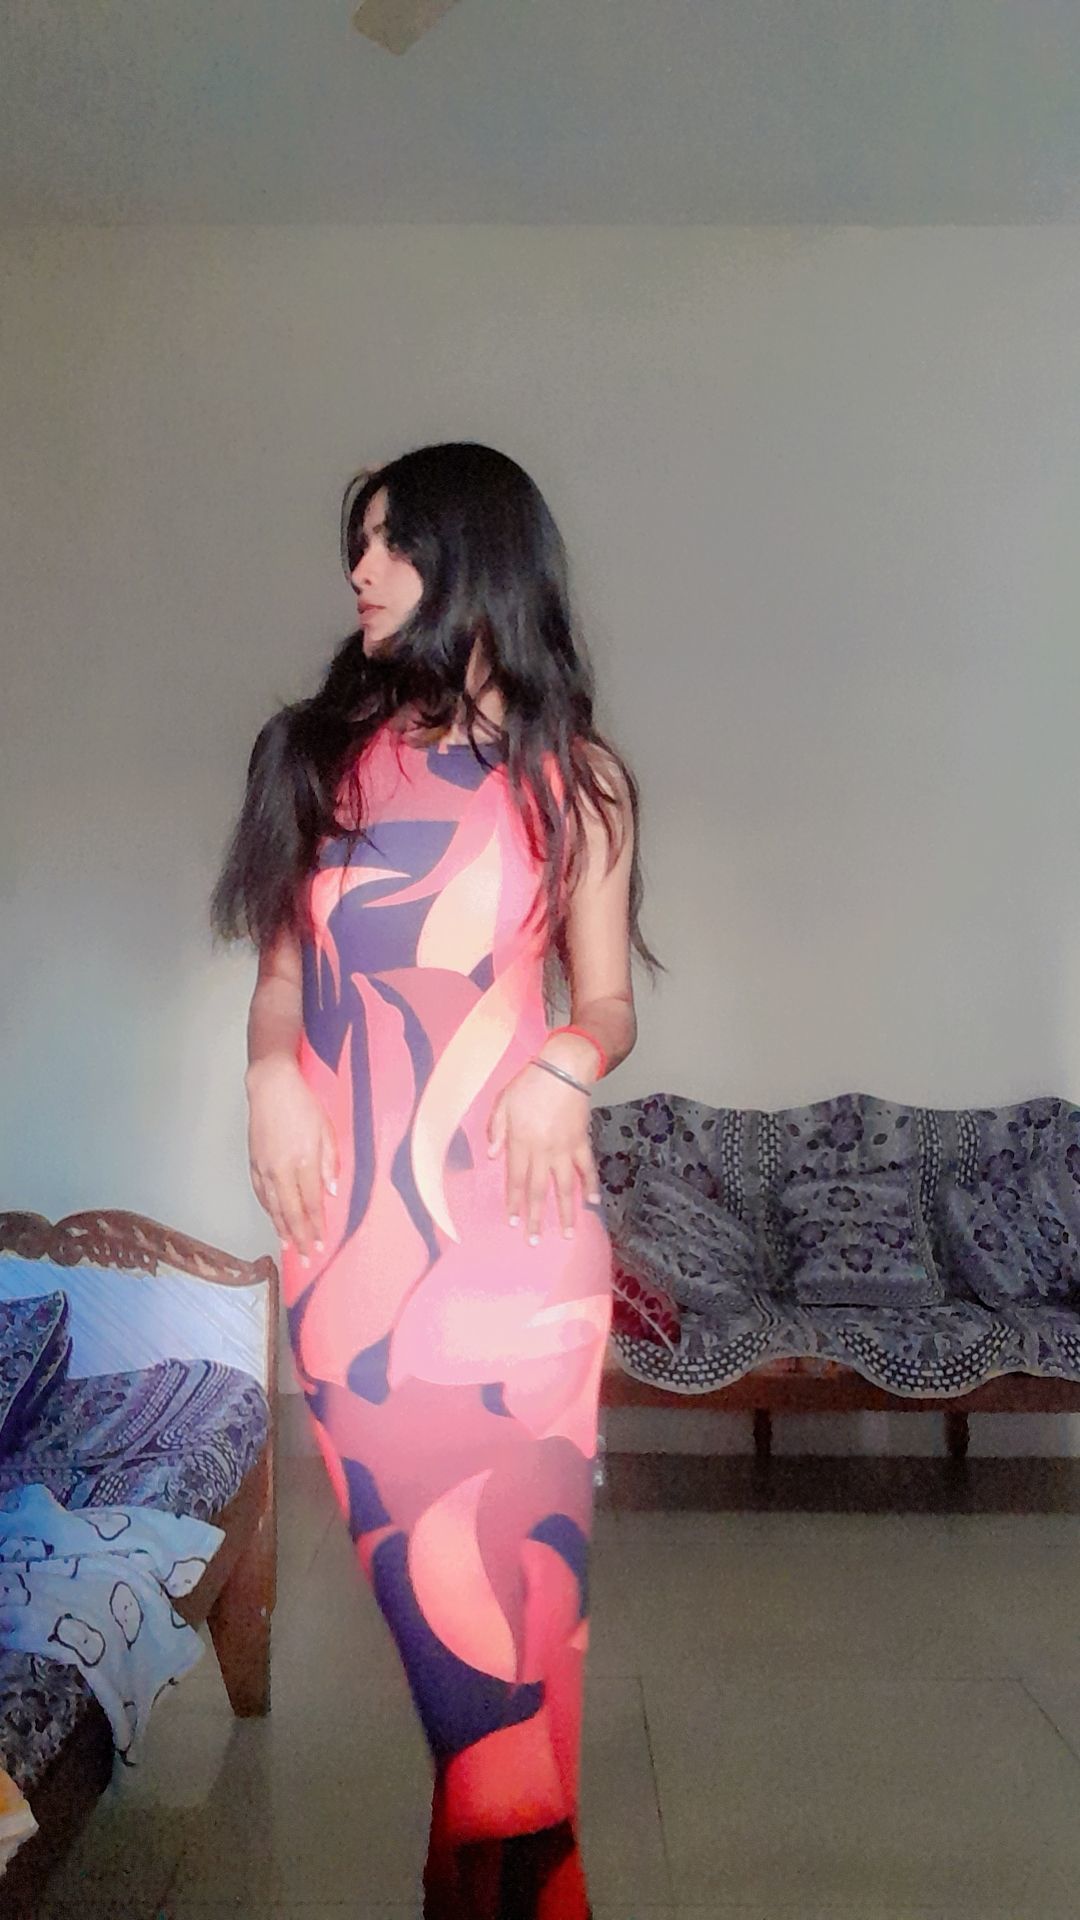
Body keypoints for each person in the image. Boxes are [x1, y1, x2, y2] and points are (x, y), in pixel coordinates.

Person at [211, 441, 663, 1919]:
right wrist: (269, 1076)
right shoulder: (315, 758)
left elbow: (607, 1002)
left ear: (478, 556)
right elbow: (283, 983)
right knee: (452, 1638)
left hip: (519, 1245)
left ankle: (493, 1895)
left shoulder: (578, 780)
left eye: (391, 540)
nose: (359, 569)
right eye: (357, 543)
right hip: (352, 1252)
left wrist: (564, 1066)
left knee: (518, 1629)